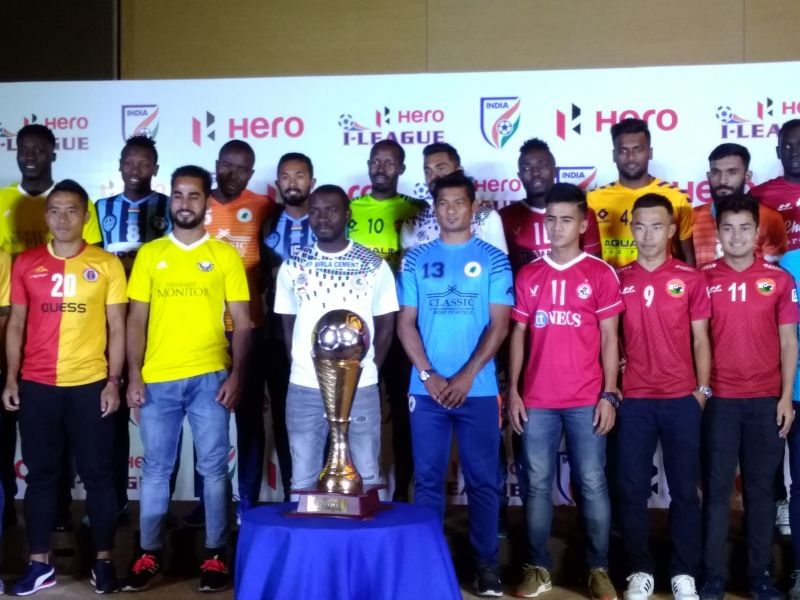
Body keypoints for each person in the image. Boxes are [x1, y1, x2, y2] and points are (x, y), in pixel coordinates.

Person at [123, 166, 250, 593]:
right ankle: (148, 552)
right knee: (156, 470)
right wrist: (133, 375)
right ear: (170, 200)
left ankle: (215, 553)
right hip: (158, 379)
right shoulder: (149, 255)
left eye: (193, 196)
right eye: (177, 195)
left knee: (214, 470)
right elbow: (135, 319)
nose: (184, 203)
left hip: (211, 378)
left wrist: (237, 375)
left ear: (206, 202)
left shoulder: (224, 256)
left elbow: (244, 324)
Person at [1, 179, 127, 595]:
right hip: (37, 385)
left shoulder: (106, 264)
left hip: (90, 384)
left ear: (86, 216)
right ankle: (39, 564)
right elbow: (16, 324)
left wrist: (113, 381)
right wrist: (10, 377)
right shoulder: (26, 263)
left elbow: (117, 326)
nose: (62, 218)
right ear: (46, 215)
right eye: (54, 210)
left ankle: (104, 561)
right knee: (40, 478)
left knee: (99, 476)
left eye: (71, 210)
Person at [397, 172, 512, 597]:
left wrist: (464, 376)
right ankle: (429, 563)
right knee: (427, 480)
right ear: (435, 207)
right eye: (442, 203)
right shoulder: (414, 259)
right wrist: (428, 374)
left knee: (483, 480)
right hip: (425, 390)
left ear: (473, 206)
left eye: (458, 202)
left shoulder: (494, 260)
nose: (450, 210)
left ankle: (486, 566)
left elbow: (499, 327)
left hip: (477, 390)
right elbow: (405, 323)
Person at [508, 183, 622, 600]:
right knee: (536, 485)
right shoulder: (529, 274)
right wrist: (516, 393)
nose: (556, 227)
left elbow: (611, 339)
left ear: (583, 222)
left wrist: (610, 393)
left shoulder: (600, 273)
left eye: (566, 219)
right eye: (550, 219)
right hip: (536, 400)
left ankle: (598, 569)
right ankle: (538, 567)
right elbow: (517, 334)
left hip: (586, 399)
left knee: (591, 483)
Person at [0, 124, 102, 529]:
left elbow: (90, 258)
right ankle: (10, 517)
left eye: (39, 150)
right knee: (18, 435)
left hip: (65, 326)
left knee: (63, 437)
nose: (31, 156)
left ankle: (61, 511)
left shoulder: (69, 200)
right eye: (24, 149)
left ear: (52, 154)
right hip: (14, 319)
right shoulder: (5, 199)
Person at [698, 193, 798, 600]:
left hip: (765, 402)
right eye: (728, 228)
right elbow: (695, 340)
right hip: (719, 402)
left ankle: (759, 577)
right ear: (718, 233)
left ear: (758, 232)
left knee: (760, 494)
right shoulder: (702, 278)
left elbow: (790, 342)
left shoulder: (779, 280)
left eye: (745, 228)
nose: (736, 236)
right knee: (718, 493)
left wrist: (785, 398)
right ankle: (712, 578)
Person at [616, 194, 711, 600]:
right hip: (634, 399)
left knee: (685, 491)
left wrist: (702, 391)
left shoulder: (690, 278)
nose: (648, 234)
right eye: (640, 226)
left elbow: (702, 339)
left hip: (680, 400)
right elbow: (608, 339)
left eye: (657, 226)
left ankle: (683, 572)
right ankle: (640, 569)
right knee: (632, 489)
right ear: (631, 228)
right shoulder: (618, 278)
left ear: (672, 230)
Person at [274, 184, 397, 496]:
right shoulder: (293, 265)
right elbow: (288, 324)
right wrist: (302, 366)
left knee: (368, 472)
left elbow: (385, 326)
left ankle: (370, 545)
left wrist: (367, 370)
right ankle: (308, 545)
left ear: (347, 214)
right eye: (315, 211)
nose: (322, 217)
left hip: (362, 385)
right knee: (302, 476)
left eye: (331, 210)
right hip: (304, 386)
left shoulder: (372, 265)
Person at [95, 134, 171, 520]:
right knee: (110, 412)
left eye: (145, 164)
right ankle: (113, 499)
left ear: (155, 170)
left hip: (157, 323)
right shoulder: (101, 208)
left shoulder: (170, 208)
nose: (136, 170)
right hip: (108, 323)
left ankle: (163, 503)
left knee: (159, 412)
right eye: (130, 162)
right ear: (120, 165)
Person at [198, 140, 274, 519]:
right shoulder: (195, 203)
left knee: (247, 419)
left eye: (241, 168)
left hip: (249, 329)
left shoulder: (262, 207)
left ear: (251, 172)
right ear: (216, 164)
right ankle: (205, 503)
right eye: (226, 165)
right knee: (205, 418)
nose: (232, 173)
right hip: (200, 331)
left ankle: (247, 501)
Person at [348, 139, 425, 501]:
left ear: (401, 169)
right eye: (376, 161)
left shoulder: (418, 211)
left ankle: (403, 494)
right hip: (358, 327)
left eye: (389, 163)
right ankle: (356, 487)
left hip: (403, 327)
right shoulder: (349, 209)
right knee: (355, 410)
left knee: (405, 415)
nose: (381, 168)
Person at [261, 152, 317, 501]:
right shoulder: (266, 223)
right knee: (285, 415)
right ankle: (293, 494)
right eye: (285, 176)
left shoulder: (329, 218)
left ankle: (326, 493)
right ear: (278, 182)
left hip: (318, 335)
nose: (292, 182)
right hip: (272, 334)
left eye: (299, 175)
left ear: (311, 180)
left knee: (325, 417)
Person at [588, 118, 694, 268]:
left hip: (661, 286)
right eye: (623, 150)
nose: (631, 157)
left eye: (638, 149)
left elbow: (687, 255)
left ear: (650, 153)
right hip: (608, 287)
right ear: (614, 155)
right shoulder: (592, 200)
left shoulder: (677, 198)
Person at [500, 137, 601, 271]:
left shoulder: (584, 214)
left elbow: (595, 269)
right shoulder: (504, 217)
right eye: (527, 167)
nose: (535, 172)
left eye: (542, 165)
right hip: (524, 291)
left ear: (555, 170)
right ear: (519, 176)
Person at [400, 142, 508, 253]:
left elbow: (500, 266)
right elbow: (405, 267)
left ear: (458, 171)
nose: (433, 177)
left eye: (441, 169)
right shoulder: (413, 222)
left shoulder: (485, 218)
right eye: (428, 171)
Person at [692, 143, 786, 265]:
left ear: (747, 176)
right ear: (709, 176)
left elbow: (776, 272)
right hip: (702, 284)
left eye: (732, 172)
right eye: (716, 172)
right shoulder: (692, 217)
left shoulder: (769, 218)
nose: (722, 180)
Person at [751, 119, 800, 250]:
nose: (795, 153)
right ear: (778, 152)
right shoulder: (757, 195)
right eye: (787, 146)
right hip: (772, 270)